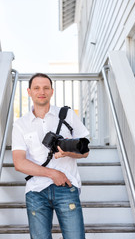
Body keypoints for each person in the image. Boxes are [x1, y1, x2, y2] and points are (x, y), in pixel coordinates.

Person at [12, 73, 89, 239]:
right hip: (36, 190)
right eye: (37, 88)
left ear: (52, 91)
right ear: (29, 91)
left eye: (46, 88)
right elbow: (19, 163)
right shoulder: (20, 124)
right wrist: (53, 174)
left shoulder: (67, 115)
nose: (42, 91)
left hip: (67, 187)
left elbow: (86, 151)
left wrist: (67, 152)